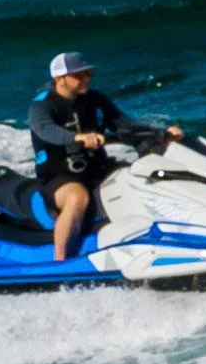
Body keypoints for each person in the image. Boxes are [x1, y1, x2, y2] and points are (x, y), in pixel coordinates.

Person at [26, 50, 163, 260]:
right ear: (59, 78)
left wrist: (160, 132)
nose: (86, 78)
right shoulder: (42, 105)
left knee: (137, 176)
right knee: (76, 197)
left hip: (97, 169)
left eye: (88, 73)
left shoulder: (95, 98)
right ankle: (60, 260)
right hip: (59, 176)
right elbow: (47, 130)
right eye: (79, 75)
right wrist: (78, 138)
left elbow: (124, 124)